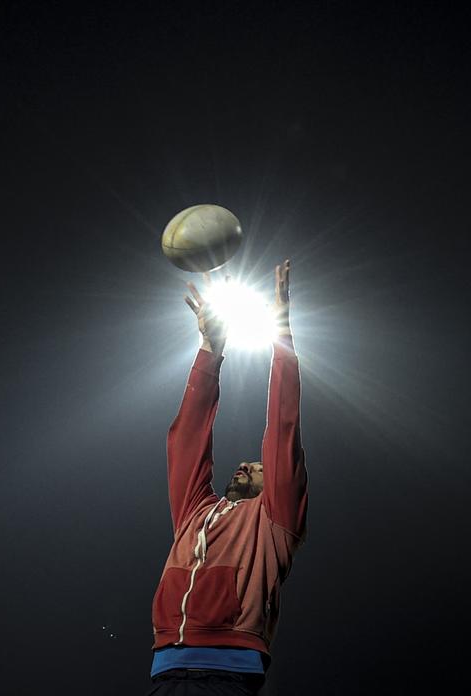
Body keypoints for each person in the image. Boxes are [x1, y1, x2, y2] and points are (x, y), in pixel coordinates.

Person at [145, 259, 309, 695]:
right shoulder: (196, 510)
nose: (246, 465)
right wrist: (210, 349)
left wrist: (281, 335)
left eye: (257, 466)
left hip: (225, 674)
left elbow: (283, 429)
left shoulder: (274, 523)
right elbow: (186, 439)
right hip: (165, 669)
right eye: (245, 463)